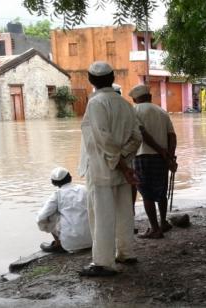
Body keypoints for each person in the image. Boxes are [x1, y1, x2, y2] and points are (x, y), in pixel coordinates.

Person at [78, 61, 142, 277]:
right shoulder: (125, 104)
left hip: (102, 169)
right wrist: (124, 158)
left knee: (102, 216)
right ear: (113, 77)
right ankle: (126, 253)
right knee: (124, 212)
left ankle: (104, 263)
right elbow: (137, 137)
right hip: (120, 167)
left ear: (90, 80)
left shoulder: (96, 104)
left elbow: (103, 139)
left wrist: (120, 163)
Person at [129, 84, 177, 239]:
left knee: (147, 194)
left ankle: (155, 229)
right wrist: (169, 155)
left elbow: (142, 134)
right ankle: (163, 222)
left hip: (142, 156)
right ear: (149, 97)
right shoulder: (162, 111)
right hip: (161, 159)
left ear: (135, 99)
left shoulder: (133, 111)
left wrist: (161, 150)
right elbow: (172, 136)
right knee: (161, 191)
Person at [36, 166, 92, 253]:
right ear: (70, 178)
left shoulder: (57, 195)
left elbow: (41, 217)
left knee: (48, 215)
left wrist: (43, 226)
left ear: (53, 183)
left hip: (70, 245)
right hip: (92, 241)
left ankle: (58, 243)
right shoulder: (84, 189)